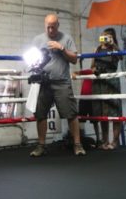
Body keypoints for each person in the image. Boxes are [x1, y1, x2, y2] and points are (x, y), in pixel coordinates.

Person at [30, 13, 86, 157]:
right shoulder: (37, 40)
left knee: (71, 114)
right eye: (48, 27)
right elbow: (31, 60)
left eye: (53, 28)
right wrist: (35, 64)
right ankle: (41, 145)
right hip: (44, 82)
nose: (50, 31)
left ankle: (78, 145)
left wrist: (61, 49)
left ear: (58, 26)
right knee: (40, 114)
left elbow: (74, 59)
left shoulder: (66, 38)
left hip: (62, 82)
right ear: (45, 25)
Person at [91, 28, 123, 150]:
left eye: (108, 36)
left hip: (112, 80)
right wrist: (94, 70)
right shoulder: (97, 49)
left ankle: (115, 142)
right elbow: (92, 66)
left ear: (112, 38)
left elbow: (122, 57)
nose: (105, 38)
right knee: (102, 113)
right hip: (99, 82)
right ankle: (105, 141)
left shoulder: (114, 49)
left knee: (114, 112)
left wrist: (113, 44)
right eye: (103, 35)